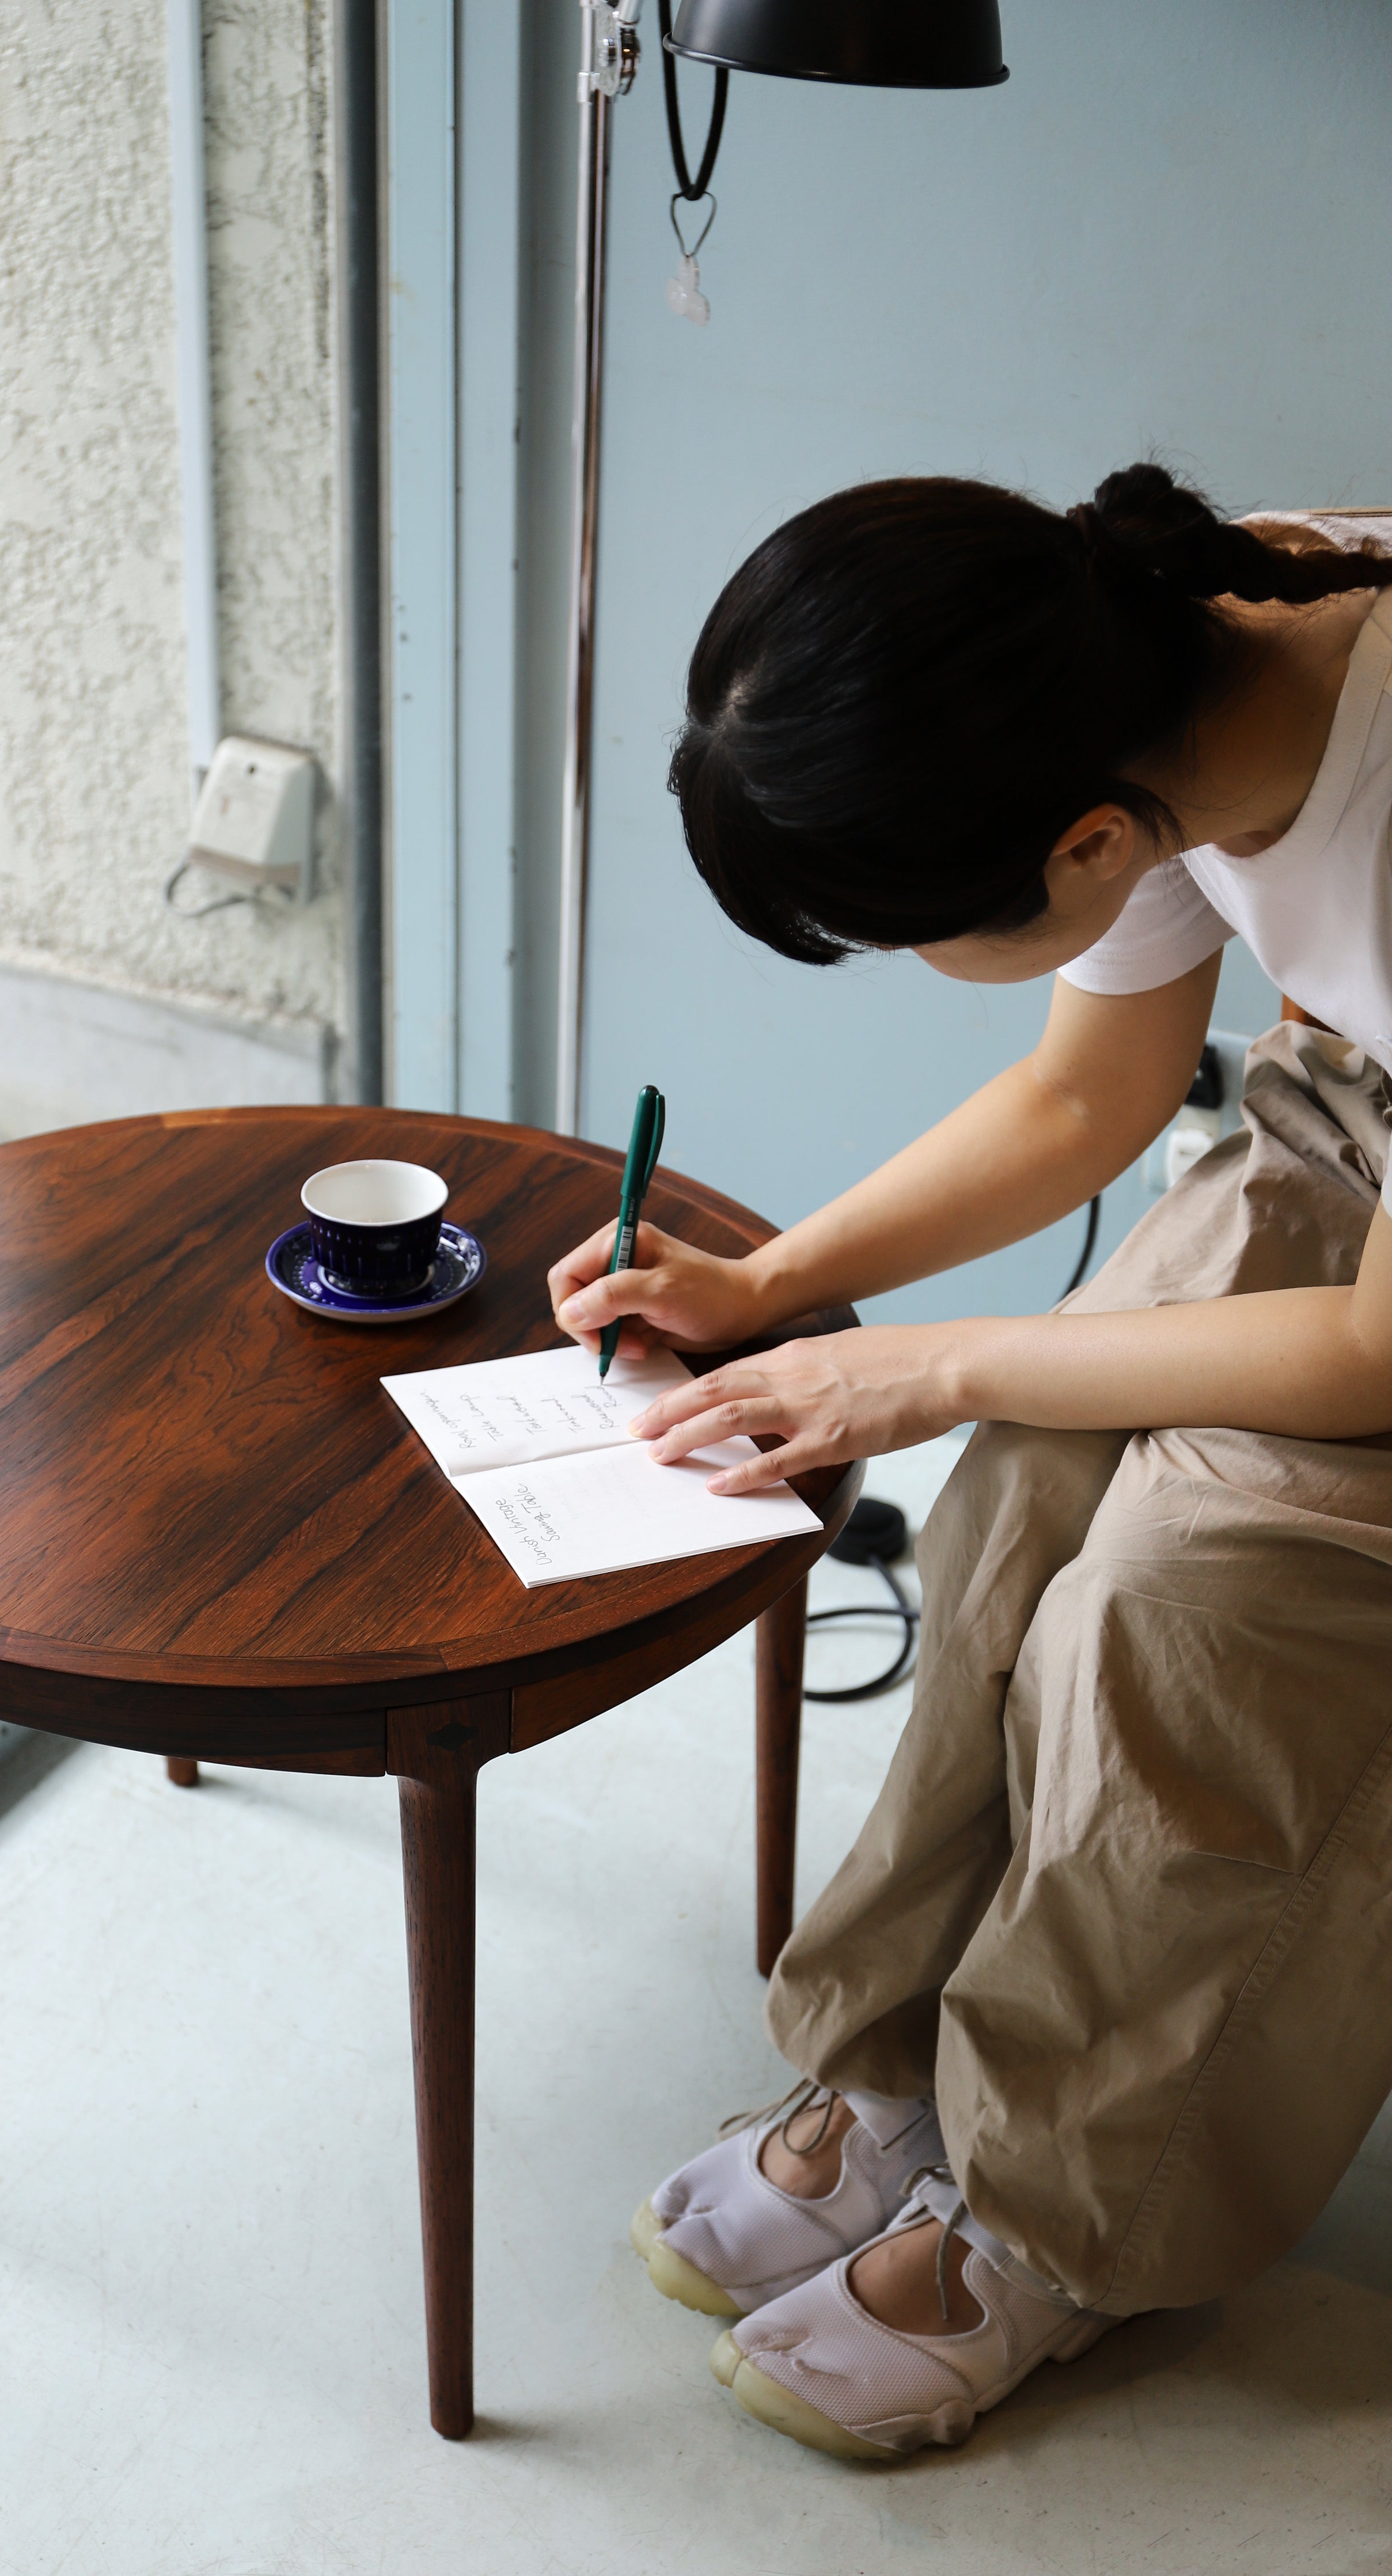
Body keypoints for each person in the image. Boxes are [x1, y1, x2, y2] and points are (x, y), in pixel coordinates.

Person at [547, 465, 1392, 2463]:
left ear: (1087, 844)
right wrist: (768, 1288)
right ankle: (905, 2062)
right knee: (1019, 1482)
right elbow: (1095, 1087)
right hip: (1348, 1119)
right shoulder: (1148, 663)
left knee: (1195, 1606)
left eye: (900, 933)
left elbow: (1371, 1357)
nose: (899, 959)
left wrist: (911, 1369)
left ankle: (1056, 2215)